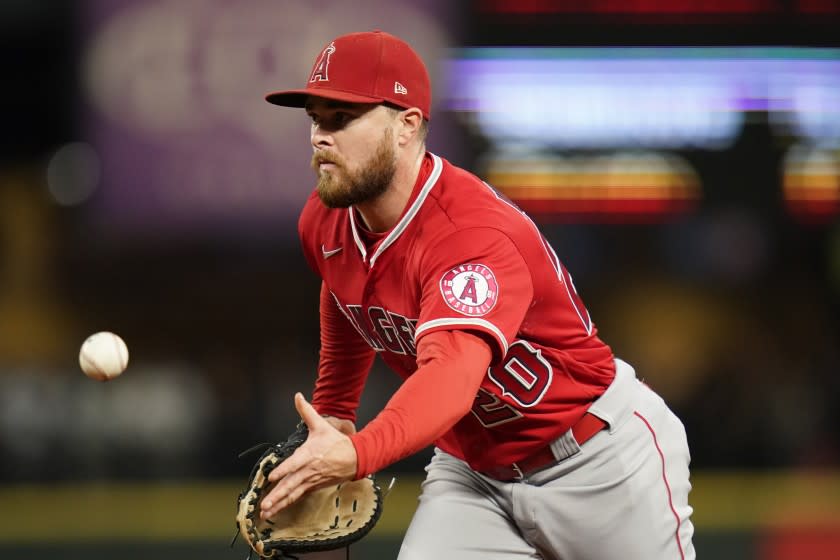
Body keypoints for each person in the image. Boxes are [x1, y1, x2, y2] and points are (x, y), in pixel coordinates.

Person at [258, 30, 695, 560]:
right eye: (316, 118)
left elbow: (450, 377)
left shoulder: (468, 235)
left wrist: (358, 453)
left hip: (596, 460)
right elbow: (345, 291)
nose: (320, 136)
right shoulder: (325, 222)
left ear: (407, 125)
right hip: (473, 474)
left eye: (342, 118)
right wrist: (335, 409)